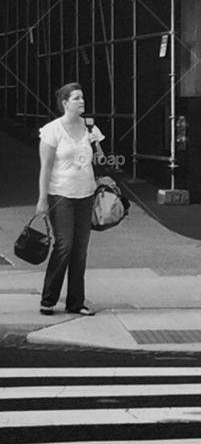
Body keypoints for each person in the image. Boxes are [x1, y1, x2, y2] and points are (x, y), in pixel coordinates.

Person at [36, 83, 104, 317]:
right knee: (64, 245)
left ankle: (76, 302)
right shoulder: (52, 130)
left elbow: (99, 160)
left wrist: (98, 147)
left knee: (80, 250)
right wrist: (42, 199)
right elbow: (45, 166)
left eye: (82, 97)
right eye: (76, 98)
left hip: (86, 195)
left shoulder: (90, 128)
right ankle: (48, 299)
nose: (82, 101)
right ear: (65, 103)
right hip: (60, 195)